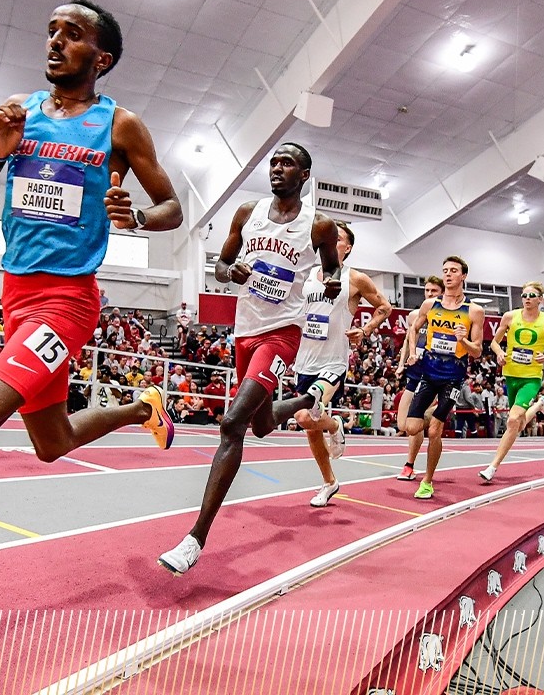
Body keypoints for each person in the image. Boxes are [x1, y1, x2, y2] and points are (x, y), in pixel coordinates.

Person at [0, 0, 182, 604]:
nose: (53, 42)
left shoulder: (119, 125)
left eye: (71, 35)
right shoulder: (18, 116)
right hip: (15, 297)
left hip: (67, 302)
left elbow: (172, 207)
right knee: (53, 443)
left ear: (102, 58)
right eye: (50, 31)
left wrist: (138, 219)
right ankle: (140, 408)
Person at [157, 142, 341, 574]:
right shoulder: (246, 213)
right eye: (274, 163)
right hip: (245, 330)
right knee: (259, 426)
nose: (277, 169)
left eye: (287, 164)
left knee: (232, 423)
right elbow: (220, 265)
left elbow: (331, 268)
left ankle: (194, 538)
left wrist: (330, 283)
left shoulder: (319, 225)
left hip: (283, 334)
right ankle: (307, 401)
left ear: (304, 175)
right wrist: (230, 271)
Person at [292, 221, 393, 507]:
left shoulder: (356, 279)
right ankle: (329, 482)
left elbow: (384, 307)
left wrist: (366, 329)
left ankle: (335, 425)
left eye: (338, 238)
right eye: (327, 236)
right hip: (304, 361)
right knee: (311, 428)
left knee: (304, 416)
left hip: (333, 362)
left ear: (347, 247)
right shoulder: (307, 276)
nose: (331, 241)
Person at [403, 256, 486, 499]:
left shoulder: (474, 311)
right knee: (411, 427)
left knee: (434, 431)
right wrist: (412, 352)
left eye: (453, 271)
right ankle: (436, 411)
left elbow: (478, 350)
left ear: (463, 276)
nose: (448, 274)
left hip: (454, 377)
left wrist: (464, 340)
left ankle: (427, 481)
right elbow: (414, 328)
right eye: (445, 270)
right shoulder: (430, 305)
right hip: (429, 373)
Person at [479, 281, 544, 481]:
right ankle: (539, 405)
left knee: (512, 420)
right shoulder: (510, 317)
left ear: (540, 299)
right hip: (510, 375)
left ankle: (492, 467)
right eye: (524, 295)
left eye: (531, 295)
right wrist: (500, 352)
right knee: (517, 424)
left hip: (531, 378)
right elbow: (493, 342)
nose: (527, 298)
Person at [394, 276, 444, 480]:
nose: (430, 294)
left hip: (433, 376)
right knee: (402, 425)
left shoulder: (445, 317)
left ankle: (409, 465)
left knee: (415, 426)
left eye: (434, 291)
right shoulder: (414, 315)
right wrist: (400, 363)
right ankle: (435, 413)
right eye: (427, 291)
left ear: (442, 293)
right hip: (414, 373)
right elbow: (409, 338)